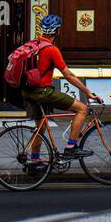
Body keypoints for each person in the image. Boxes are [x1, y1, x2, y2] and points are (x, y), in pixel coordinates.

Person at [20, 15, 100, 163]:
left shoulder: (32, 44)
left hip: (28, 91)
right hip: (43, 92)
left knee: (40, 126)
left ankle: (35, 162)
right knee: (82, 109)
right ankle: (71, 148)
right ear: (56, 31)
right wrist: (87, 92)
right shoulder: (51, 49)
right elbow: (68, 75)